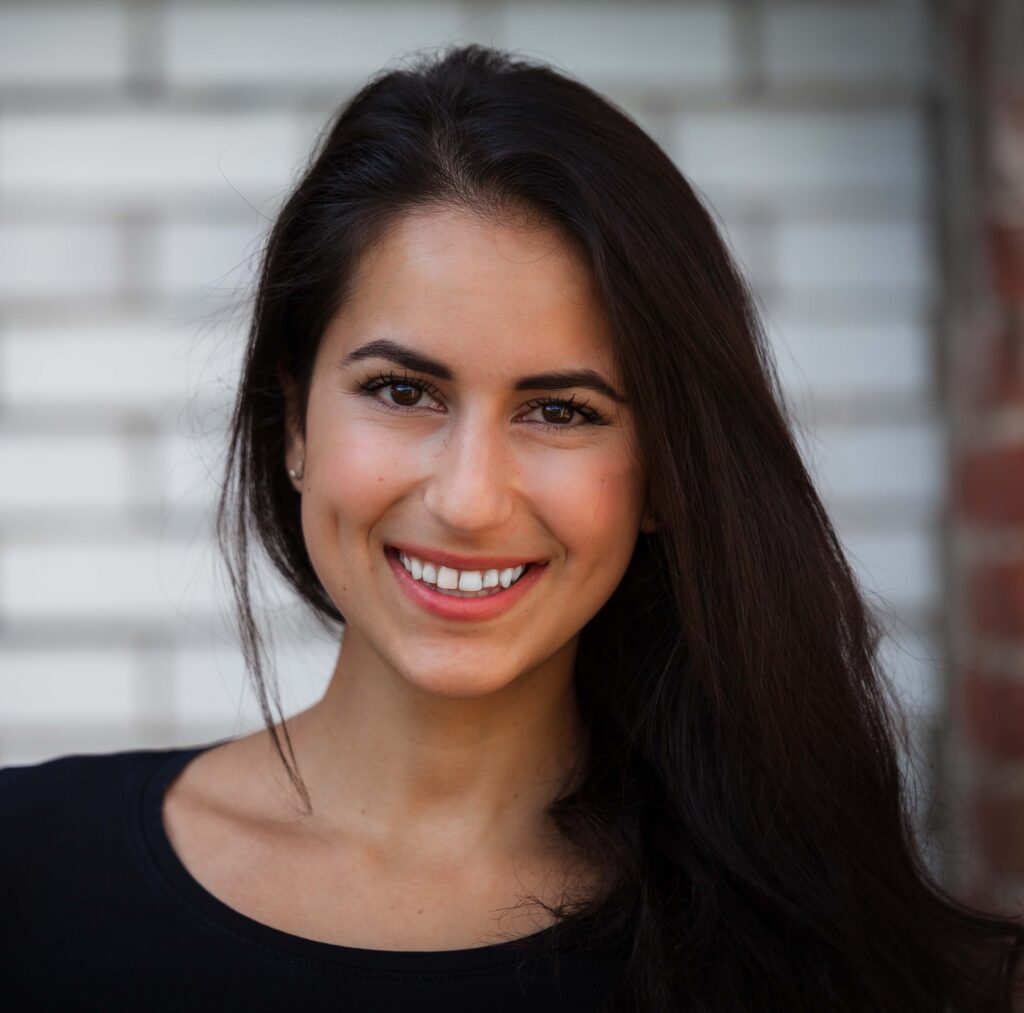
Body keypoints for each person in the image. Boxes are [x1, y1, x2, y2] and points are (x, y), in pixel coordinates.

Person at [2, 42, 1022, 1013]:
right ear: (294, 421)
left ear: (665, 474)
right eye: (402, 389)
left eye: (560, 410)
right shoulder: (26, 870)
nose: (469, 497)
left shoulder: (830, 952)